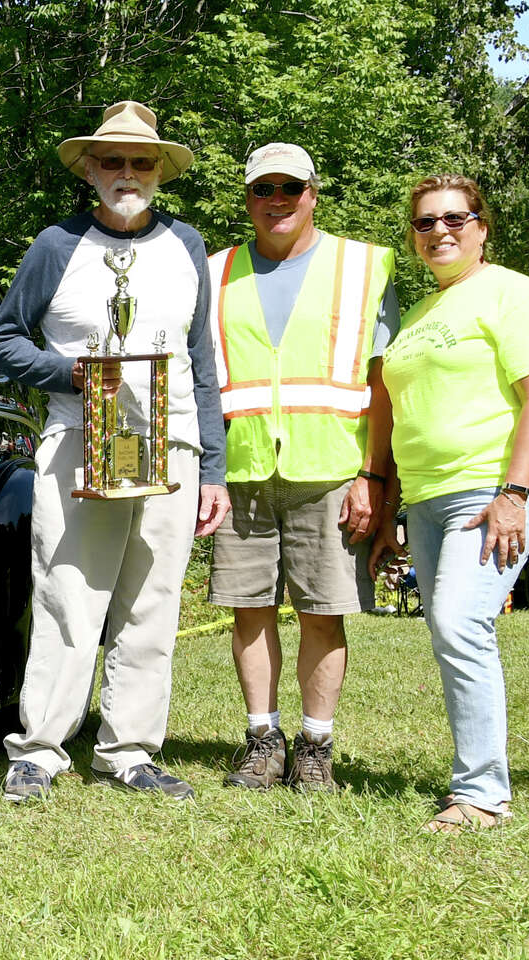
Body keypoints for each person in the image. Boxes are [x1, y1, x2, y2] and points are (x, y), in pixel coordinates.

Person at [0, 100, 230, 803]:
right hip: (78, 444)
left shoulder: (186, 246)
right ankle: (38, 750)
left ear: (160, 171)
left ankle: (129, 751)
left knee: (153, 603)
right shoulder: (55, 245)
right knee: (69, 596)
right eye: (113, 160)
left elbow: (203, 362)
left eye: (142, 161)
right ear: (89, 168)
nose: (128, 173)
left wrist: (213, 467)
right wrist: (76, 376)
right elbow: (4, 340)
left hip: (172, 445)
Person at [370, 174, 529, 833]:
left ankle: (482, 796)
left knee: (459, 623)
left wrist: (513, 492)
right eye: (424, 223)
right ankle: (476, 782)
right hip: (426, 499)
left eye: (455, 218)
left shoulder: (512, 293)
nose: (439, 232)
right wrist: (388, 510)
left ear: (482, 227)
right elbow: (399, 417)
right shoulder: (420, 315)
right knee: (448, 628)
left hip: (492, 490)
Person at [206, 143, 398, 792]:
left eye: (292, 186)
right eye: (264, 188)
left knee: (323, 613)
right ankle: (262, 741)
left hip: (333, 471)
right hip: (243, 469)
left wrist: (374, 478)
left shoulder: (363, 267)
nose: (278, 198)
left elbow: (382, 386)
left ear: (315, 192)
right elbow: (204, 383)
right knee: (248, 611)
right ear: (249, 199)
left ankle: (315, 750)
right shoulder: (215, 273)